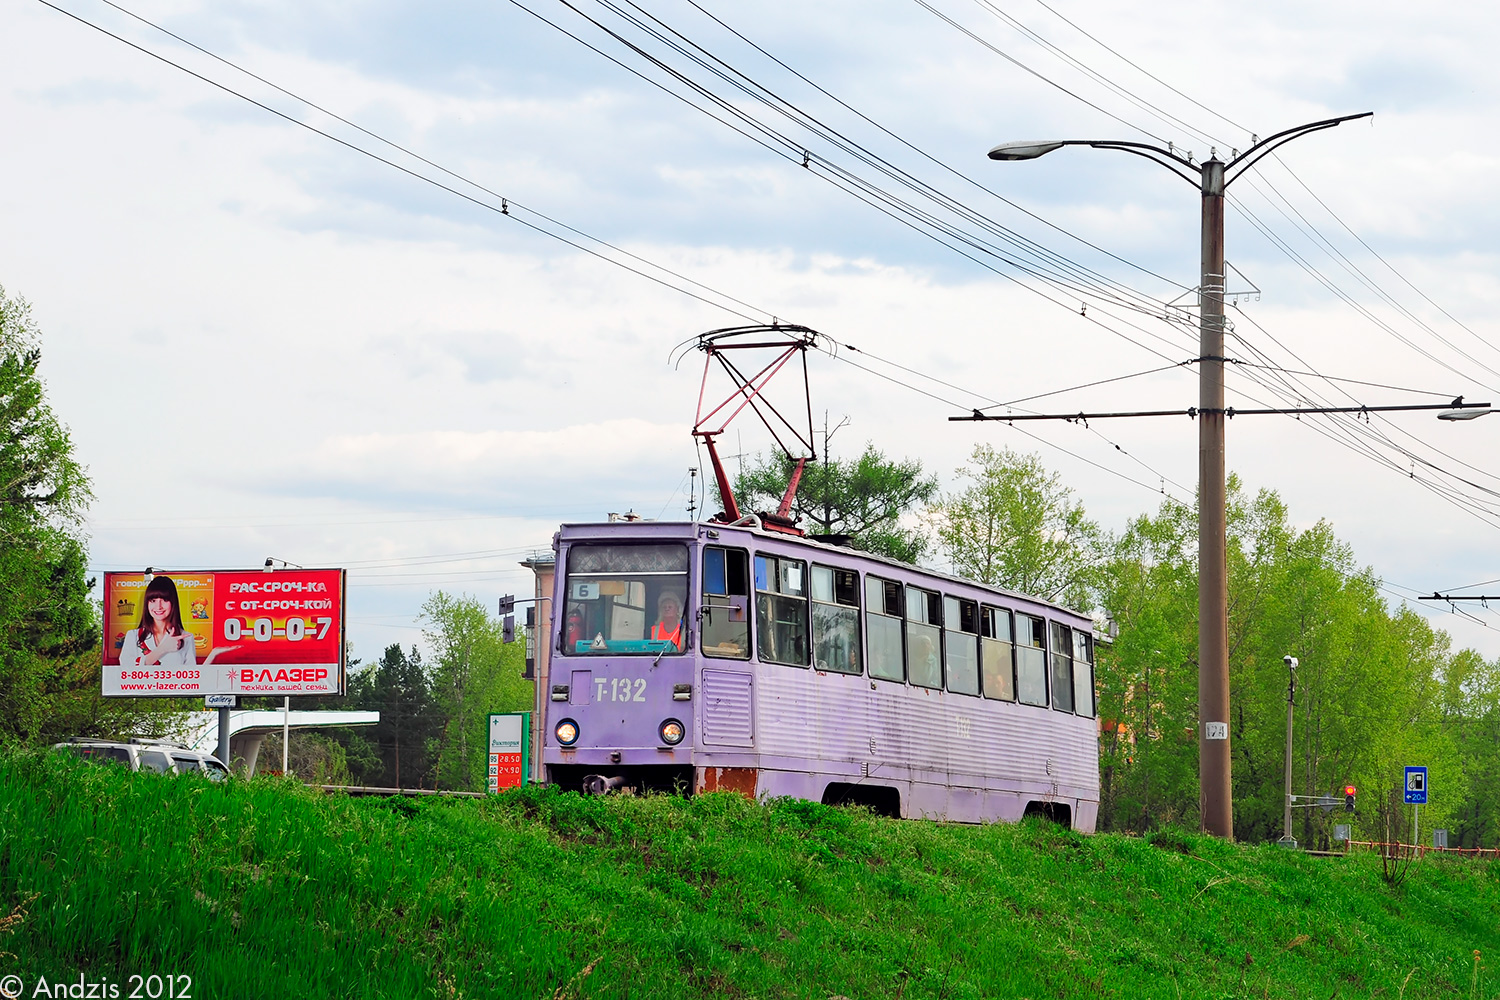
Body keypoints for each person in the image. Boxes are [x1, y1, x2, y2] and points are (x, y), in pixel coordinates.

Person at [120, 575, 197, 669]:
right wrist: (163, 649)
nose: (158, 606)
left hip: (174, 684)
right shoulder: (133, 635)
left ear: (173, 602)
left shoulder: (186, 637)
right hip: (142, 684)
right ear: (147, 603)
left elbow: (191, 676)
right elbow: (126, 668)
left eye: (164, 600)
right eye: (153, 600)